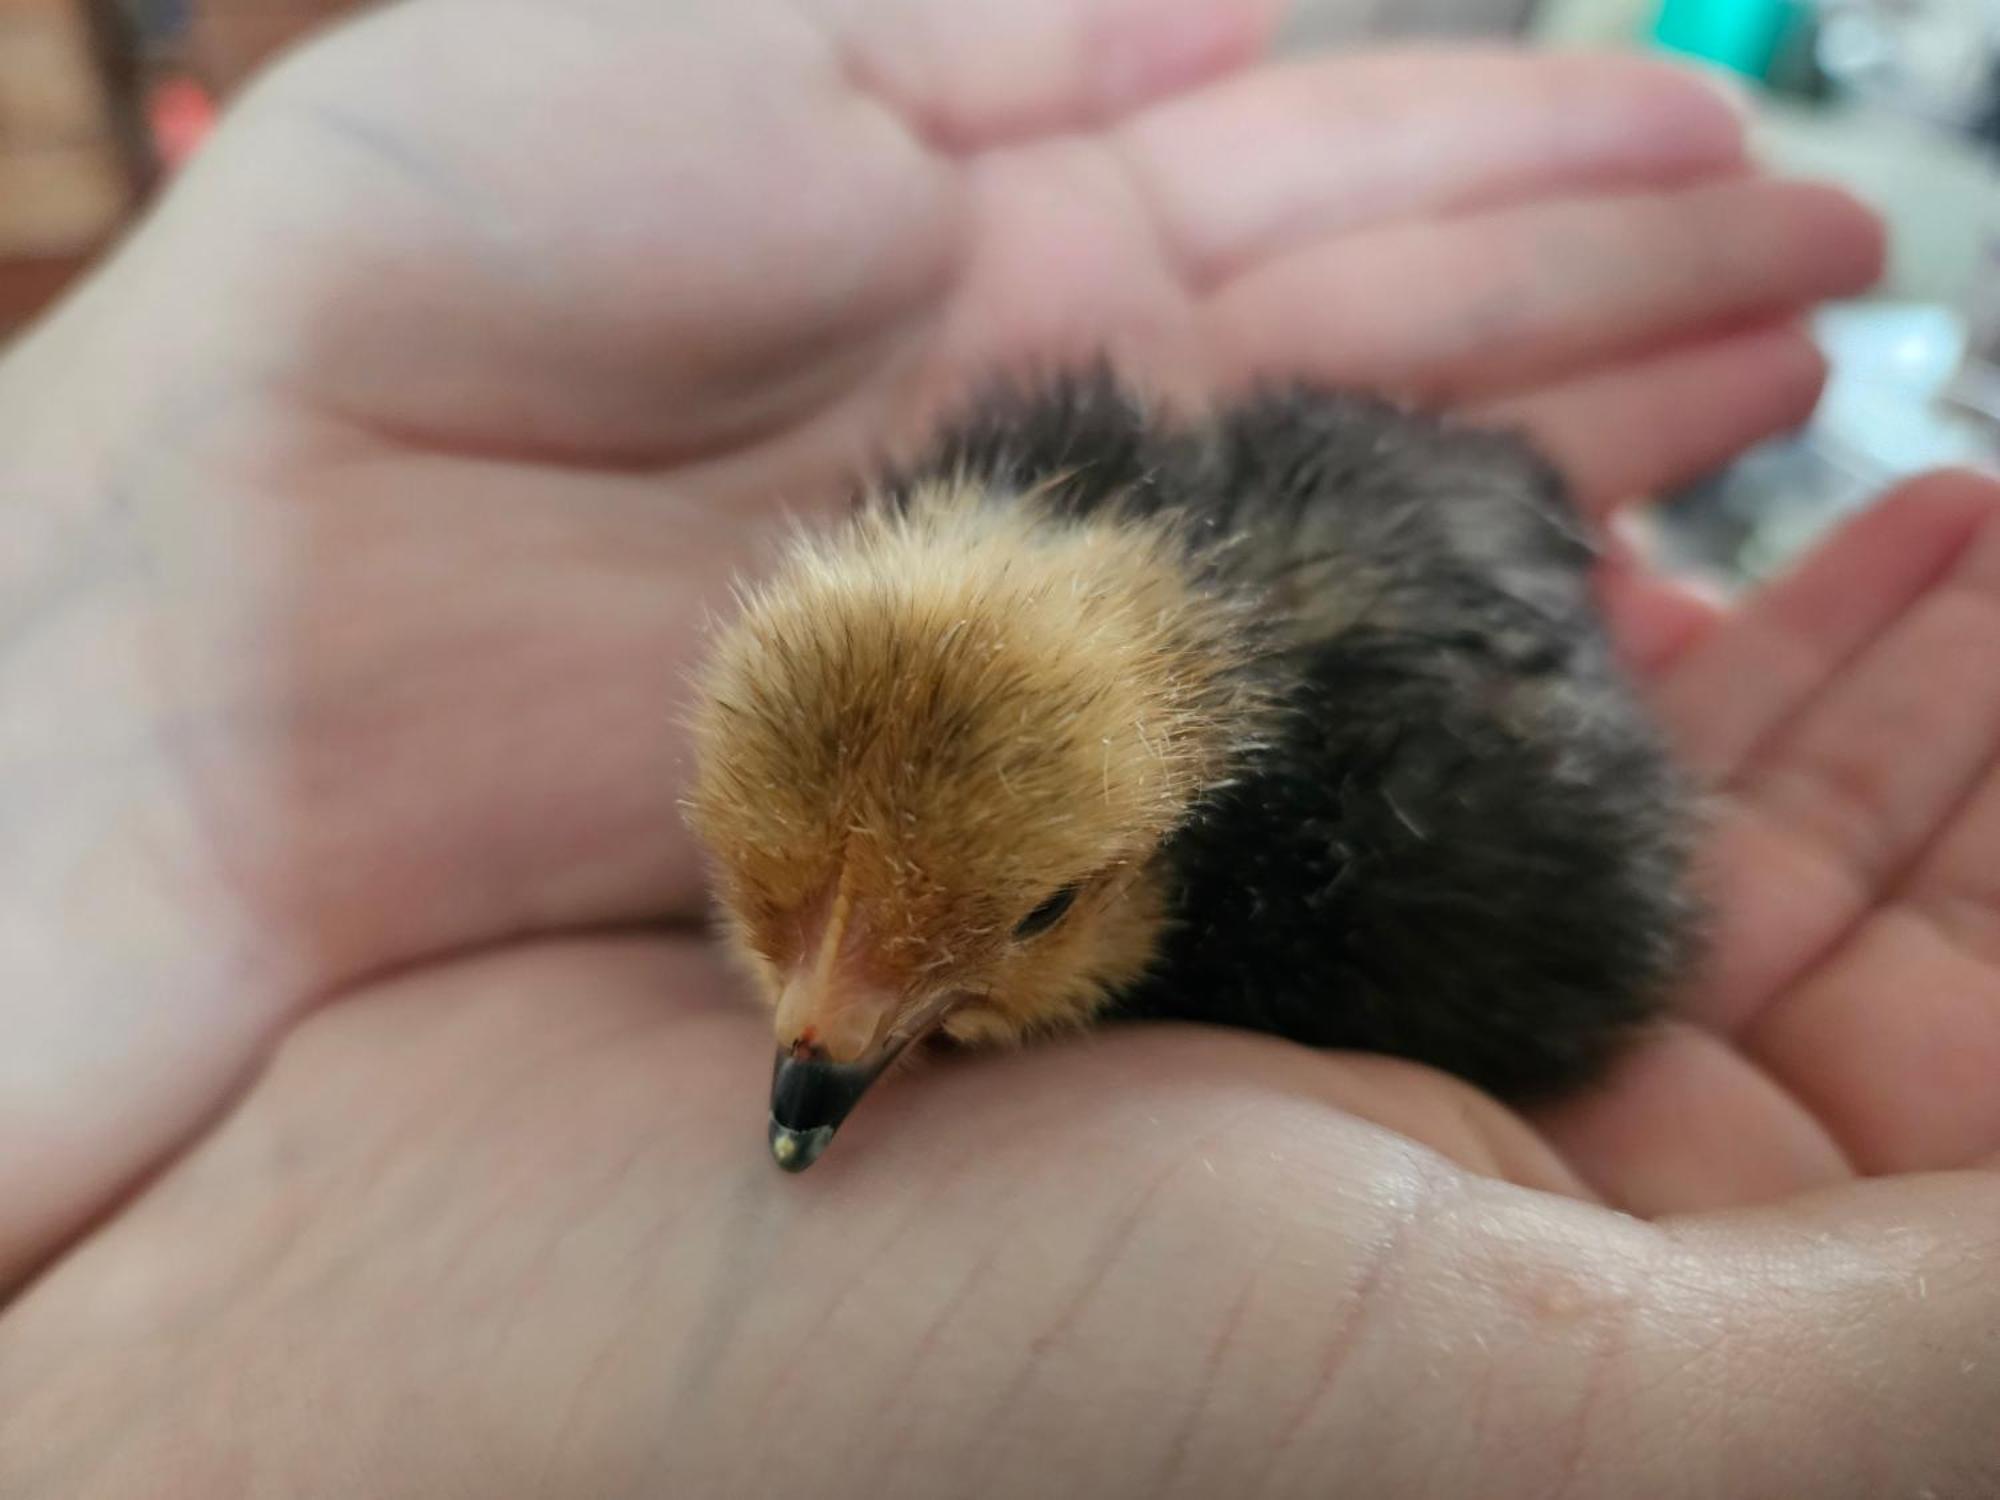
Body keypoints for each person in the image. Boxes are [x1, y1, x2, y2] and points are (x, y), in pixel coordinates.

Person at [0, 1, 1993, 1493]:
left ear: (1151, 852)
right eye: (765, 896)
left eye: (1010, 918)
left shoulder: (1453, 869)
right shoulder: (1026, 556)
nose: (820, 1028)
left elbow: (1593, 904)